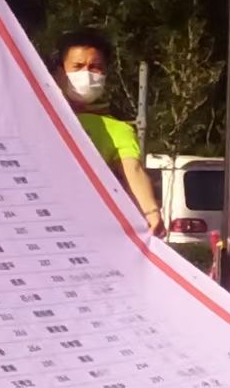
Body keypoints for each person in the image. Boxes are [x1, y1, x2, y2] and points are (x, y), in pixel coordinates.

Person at [50, 28, 166, 237]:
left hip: (88, 227)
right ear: (59, 73)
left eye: (95, 67)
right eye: (77, 66)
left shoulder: (118, 130)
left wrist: (151, 212)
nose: (86, 74)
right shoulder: (39, 115)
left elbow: (133, 170)